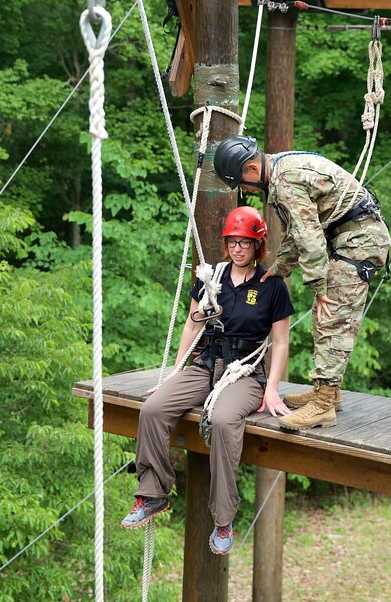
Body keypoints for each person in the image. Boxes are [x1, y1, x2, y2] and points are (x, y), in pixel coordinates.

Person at [120, 206, 294, 555]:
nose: (238, 248)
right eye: (232, 241)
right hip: (205, 364)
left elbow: (281, 341)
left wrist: (272, 387)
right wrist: (175, 370)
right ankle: (153, 493)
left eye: (245, 242)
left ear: (257, 245)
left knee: (225, 419)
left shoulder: (272, 285)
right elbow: (191, 324)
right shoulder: (211, 277)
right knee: (153, 409)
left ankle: (223, 518)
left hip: (244, 372)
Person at [211, 136, 391, 431]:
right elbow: (298, 232)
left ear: (253, 169)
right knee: (329, 314)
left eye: (241, 184)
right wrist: (280, 268)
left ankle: (322, 406)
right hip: (351, 236)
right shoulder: (283, 168)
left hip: (359, 239)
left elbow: (310, 240)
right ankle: (329, 393)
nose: (244, 190)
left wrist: (319, 289)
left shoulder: (284, 181)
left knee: (331, 316)